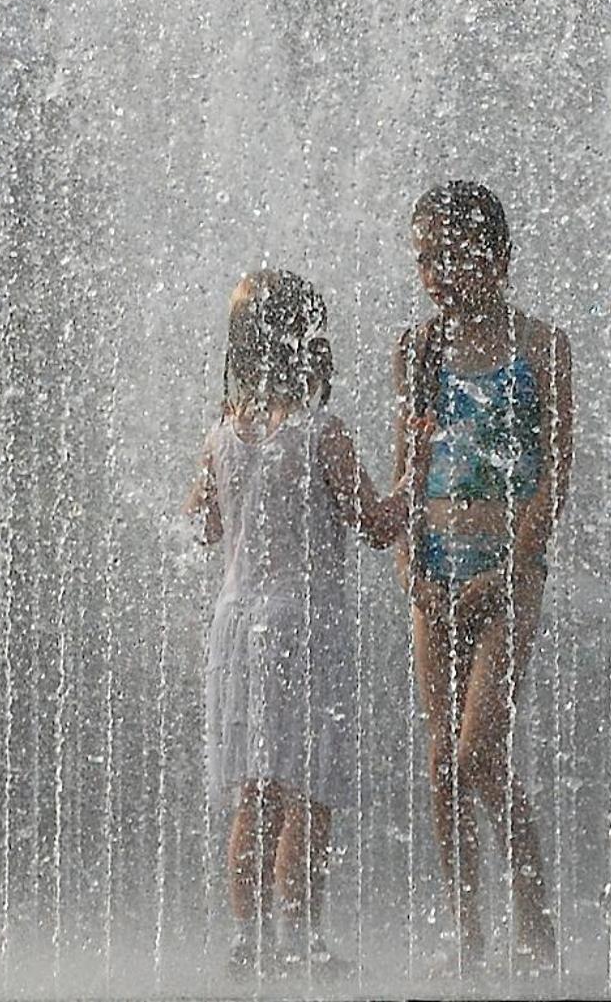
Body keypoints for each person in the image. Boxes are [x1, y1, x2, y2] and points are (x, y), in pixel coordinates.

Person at [185, 269, 403, 976]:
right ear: (309, 342)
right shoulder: (322, 431)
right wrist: (416, 468)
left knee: (254, 785)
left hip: (237, 623)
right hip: (304, 624)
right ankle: (301, 933)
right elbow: (374, 523)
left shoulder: (222, 434)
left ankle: (249, 941)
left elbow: (202, 525)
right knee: (306, 787)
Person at [392, 183, 573, 970]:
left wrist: (511, 564)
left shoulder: (541, 347)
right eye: (425, 257)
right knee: (441, 763)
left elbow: (555, 470)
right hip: (434, 573)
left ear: (496, 260)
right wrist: (410, 570)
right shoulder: (416, 350)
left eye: (450, 255)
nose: (434, 272)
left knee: (477, 757)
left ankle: (535, 924)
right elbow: (406, 469)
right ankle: (468, 940)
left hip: (508, 575)